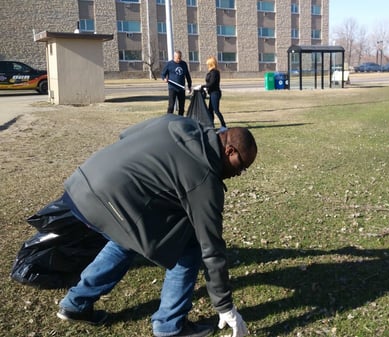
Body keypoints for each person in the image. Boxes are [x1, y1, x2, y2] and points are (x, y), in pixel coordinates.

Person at [54, 114, 256, 337]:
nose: (238, 174)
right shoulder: (205, 178)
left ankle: (76, 303)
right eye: (242, 166)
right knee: (189, 248)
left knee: (129, 239)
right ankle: (169, 326)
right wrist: (225, 306)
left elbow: (127, 135)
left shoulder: (179, 123)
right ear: (230, 152)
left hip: (83, 182)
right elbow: (212, 248)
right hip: (110, 201)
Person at [162, 50, 192, 115]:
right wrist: (164, 78)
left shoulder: (184, 64)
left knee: (182, 107)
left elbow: (187, 75)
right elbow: (163, 74)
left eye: (180, 57)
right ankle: (169, 118)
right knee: (171, 106)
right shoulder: (169, 64)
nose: (179, 59)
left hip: (181, 88)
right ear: (174, 57)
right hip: (172, 88)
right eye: (178, 58)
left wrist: (189, 86)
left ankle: (180, 119)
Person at [201, 56, 227, 130]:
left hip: (215, 93)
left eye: (208, 64)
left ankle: (224, 125)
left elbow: (211, 83)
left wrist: (202, 86)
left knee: (216, 110)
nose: (207, 66)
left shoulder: (215, 72)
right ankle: (211, 125)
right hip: (212, 93)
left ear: (211, 64)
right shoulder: (211, 72)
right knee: (210, 110)